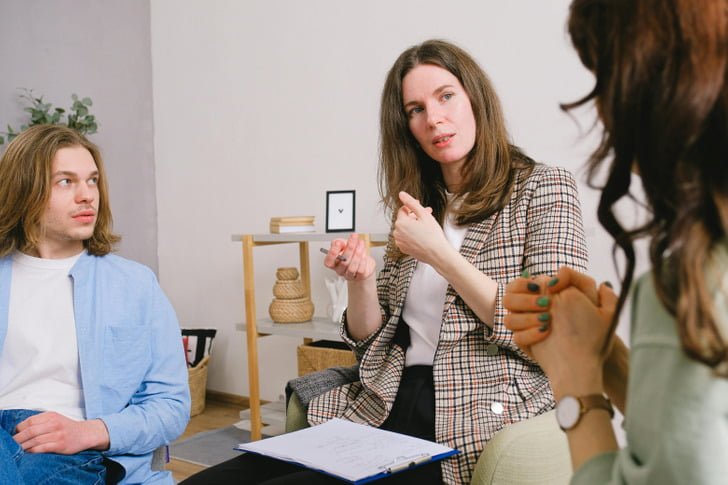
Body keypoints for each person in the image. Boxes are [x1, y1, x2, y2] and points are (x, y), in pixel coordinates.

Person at [183, 39, 588, 485]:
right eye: (415, 109)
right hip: (387, 399)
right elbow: (368, 338)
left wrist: (440, 254)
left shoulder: (543, 188)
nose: (433, 118)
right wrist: (362, 280)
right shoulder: (418, 204)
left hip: (470, 413)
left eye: (446, 96)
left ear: (476, 98)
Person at [503, 0, 728, 483]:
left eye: (604, 78)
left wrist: (576, 384)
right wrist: (611, 361)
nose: (603, 109)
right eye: (414, 108)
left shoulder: (694, 291)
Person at [0, 125, 190, 484]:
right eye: (66, 182)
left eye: (92, 180)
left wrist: (88, 432)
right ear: (24, 190)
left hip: (73, 446)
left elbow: (171, 407)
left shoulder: (135, 285)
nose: (87, 195)